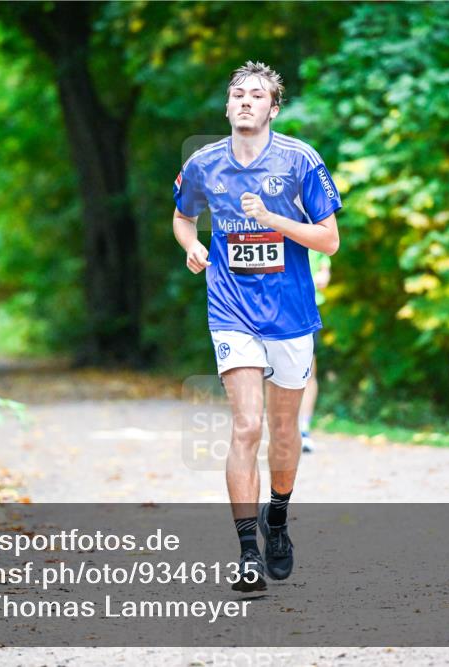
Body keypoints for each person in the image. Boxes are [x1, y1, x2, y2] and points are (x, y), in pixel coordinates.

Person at [171, 61, 341, 592]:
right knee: (247, 426)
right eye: (237, 94)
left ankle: (278, 520)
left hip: (289, 312)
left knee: (284, 430)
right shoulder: (203, 164)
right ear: (227, 107)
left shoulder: (299, 161)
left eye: (257, 95)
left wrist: (272, 219)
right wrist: (193, 244)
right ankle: (247, 550)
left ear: (273, 108)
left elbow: (329, 239)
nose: (246, 101)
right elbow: (182, 215)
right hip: (231, 308)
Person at [299, 249, 331, 453]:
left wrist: (323, 276)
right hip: (278, 307)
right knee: (273, 371)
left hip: (308, 309)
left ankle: (303, 429)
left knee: (309, 372)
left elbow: (324, 269)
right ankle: (281, 426)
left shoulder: (315, 225)